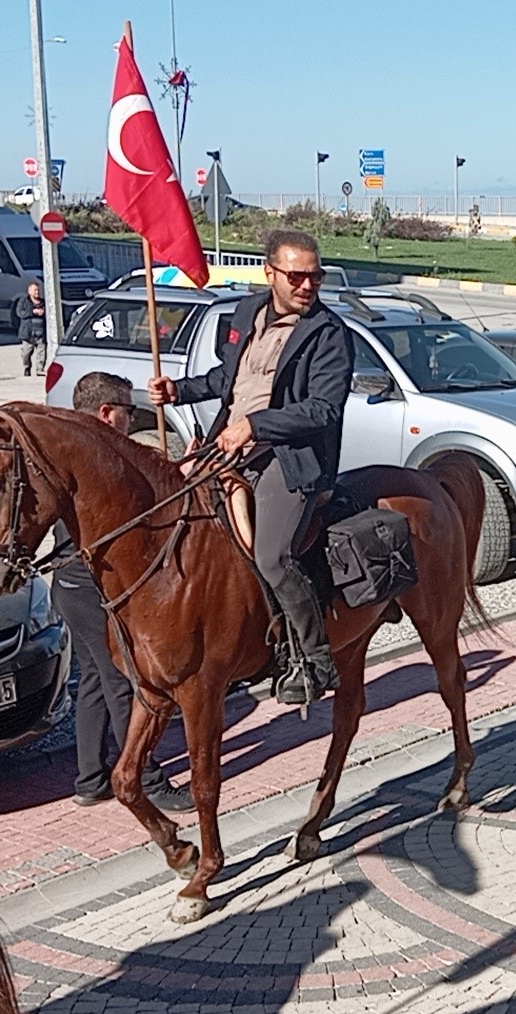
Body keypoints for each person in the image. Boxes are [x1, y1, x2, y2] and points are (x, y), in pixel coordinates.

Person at [148, 229, 353, 705]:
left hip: (290, 457)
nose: (308, 286)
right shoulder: (246, 313)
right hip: (227, 446)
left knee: (271, 557)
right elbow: (230, 378)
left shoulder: (329, 333)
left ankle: (315, 658)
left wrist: (256, 426)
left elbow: (324, 408)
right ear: (270, 272)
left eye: (315, 277)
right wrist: (180, 390)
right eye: (297, 276)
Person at [54, 372, 192, 811]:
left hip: (68, 584)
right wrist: (178, 477)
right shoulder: (96, 459)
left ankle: (90, 778)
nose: (132, 423)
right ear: (106, 414)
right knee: (123, 680)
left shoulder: (72, 452)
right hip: (92, 585)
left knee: (94, 679)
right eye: (129, 414)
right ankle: (147, 779)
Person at [14, 279, 47, 377]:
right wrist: (33, 312)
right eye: (34, 290)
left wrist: (44, 312)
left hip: (40, 333)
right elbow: (20, 313)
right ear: (29, 291)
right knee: (26, 354)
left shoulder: (43, 302)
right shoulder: (23, 301)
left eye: (38, 290)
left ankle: (40, 369)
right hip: (28, 333)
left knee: (41, 353)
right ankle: (27, 367)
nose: (37, 292)